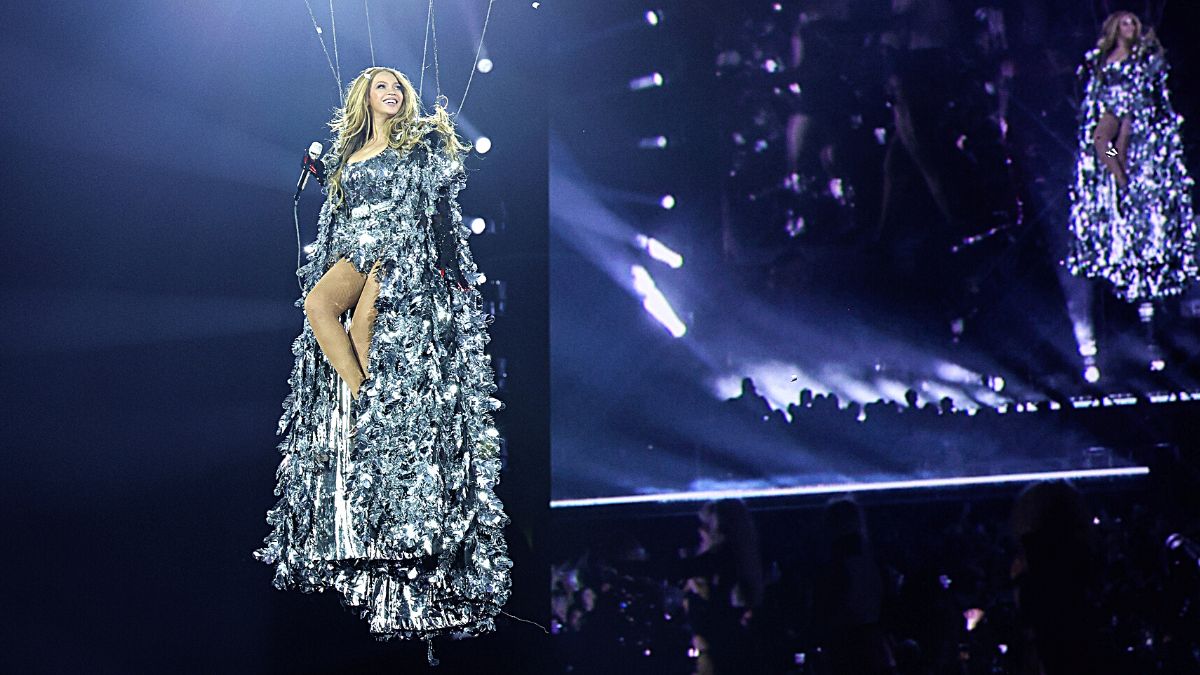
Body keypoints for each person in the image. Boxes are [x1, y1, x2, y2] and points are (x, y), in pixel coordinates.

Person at [252, 66, 511, 656]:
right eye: (382, 88)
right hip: (356, 247)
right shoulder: (351, 156)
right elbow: (337, 218)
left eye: (398, 88)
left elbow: (440, 199)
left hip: (401, 248)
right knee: (320, 305)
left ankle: (379, 410)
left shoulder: (414, 147)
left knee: (367, 322)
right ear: (364, 97)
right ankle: (363, 395)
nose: (392, 94)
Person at [1066, 11, 1199, 304]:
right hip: (1110, 110)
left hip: (1130, 112)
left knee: (1117, 144)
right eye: (1124, 23)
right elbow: (1093, 88)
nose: (1129, 28)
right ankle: (1121, 176)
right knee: (1102, 141)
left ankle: (1124, 178)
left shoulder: (1140, 57)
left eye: (1132, 24)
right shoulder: (1104, 57)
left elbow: (1152, 80)